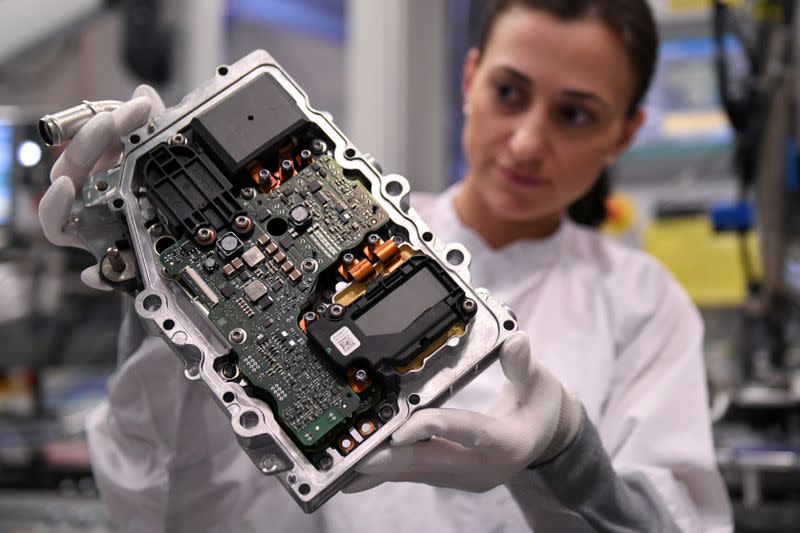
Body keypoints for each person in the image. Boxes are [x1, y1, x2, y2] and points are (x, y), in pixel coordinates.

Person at [39, 0, 733, 531]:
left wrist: (567, 453)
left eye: (576, 115)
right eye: (510, 93)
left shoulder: (645, 303)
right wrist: (160, 282)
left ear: (627, 133)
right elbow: (188, 511)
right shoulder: (352, 229)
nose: (527, 141)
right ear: (470, 77)